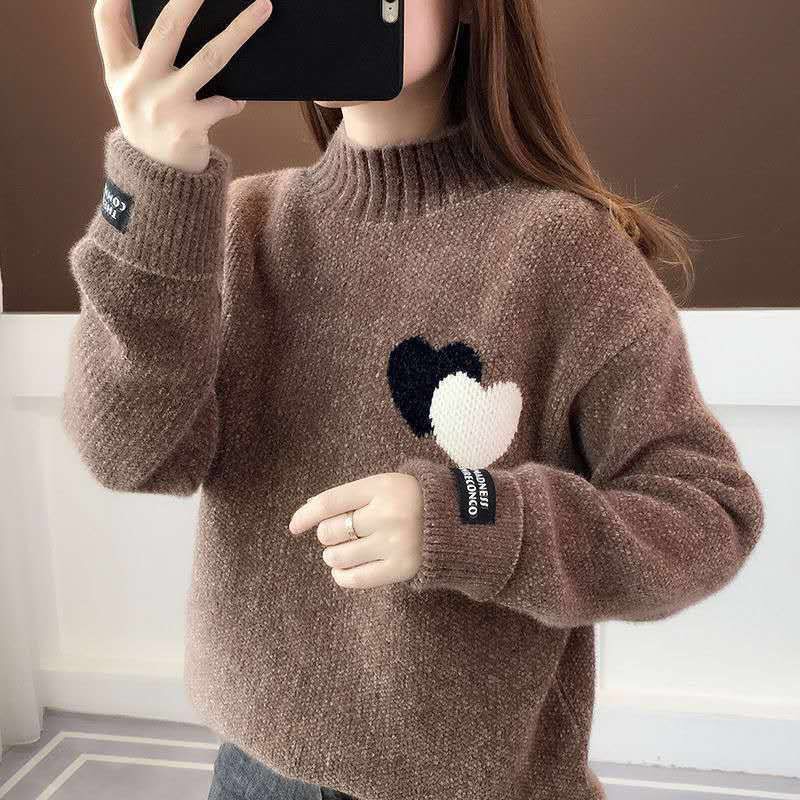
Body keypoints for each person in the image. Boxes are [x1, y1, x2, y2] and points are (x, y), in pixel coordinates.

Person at [63, 0, 766, 798]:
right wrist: (153, 178)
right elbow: (128, 453)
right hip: (253, 772)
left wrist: (471, 517)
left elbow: (708, 516)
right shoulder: (238, 229)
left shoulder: (564, 251)